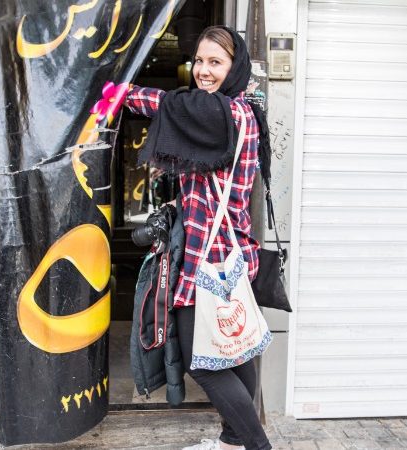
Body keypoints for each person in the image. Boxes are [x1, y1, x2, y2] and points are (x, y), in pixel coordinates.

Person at [125, 26, 272, 450]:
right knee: (238, 350)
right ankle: (232, 441)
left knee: (201, 362)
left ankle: (257, 445)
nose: (203, 72)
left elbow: (165, 104)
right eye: (200, 61)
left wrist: (117, 89)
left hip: (210, 258)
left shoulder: (226, 115)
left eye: (216, 63)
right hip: (232, 254)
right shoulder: (240, 110)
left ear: (235, 66)